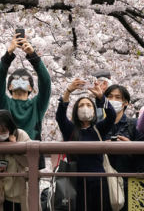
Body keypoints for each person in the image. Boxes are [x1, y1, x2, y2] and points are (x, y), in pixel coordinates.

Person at [56, 78, 116, 210]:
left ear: (94, 111)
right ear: (76, 110)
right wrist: (68, 91)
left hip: (98, 181)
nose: (85, 108)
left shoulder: (98, 129)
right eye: (81, 105)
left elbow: (112, 116)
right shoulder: (70, 129)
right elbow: (60, 117)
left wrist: (100, 97)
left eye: (89, 105)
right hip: (76, 182)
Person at [0, 32, 51, 168]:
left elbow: (46, 83)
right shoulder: (4, 104)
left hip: (31, 157)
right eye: (15, 79)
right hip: (7, 155)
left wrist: (33, 56)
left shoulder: (37, 105)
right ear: (9, 86)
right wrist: (8, 55)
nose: (20, 81)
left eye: (24, 80)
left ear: (31, 87)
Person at [103, 84, 144, 211]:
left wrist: (131, 146)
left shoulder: (135, 124)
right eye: (110, 97)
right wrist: (103, 146)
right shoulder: (100, 125)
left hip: (130, 182)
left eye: (117, 97)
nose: (113, 100)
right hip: (106, 183)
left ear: (125, 103)